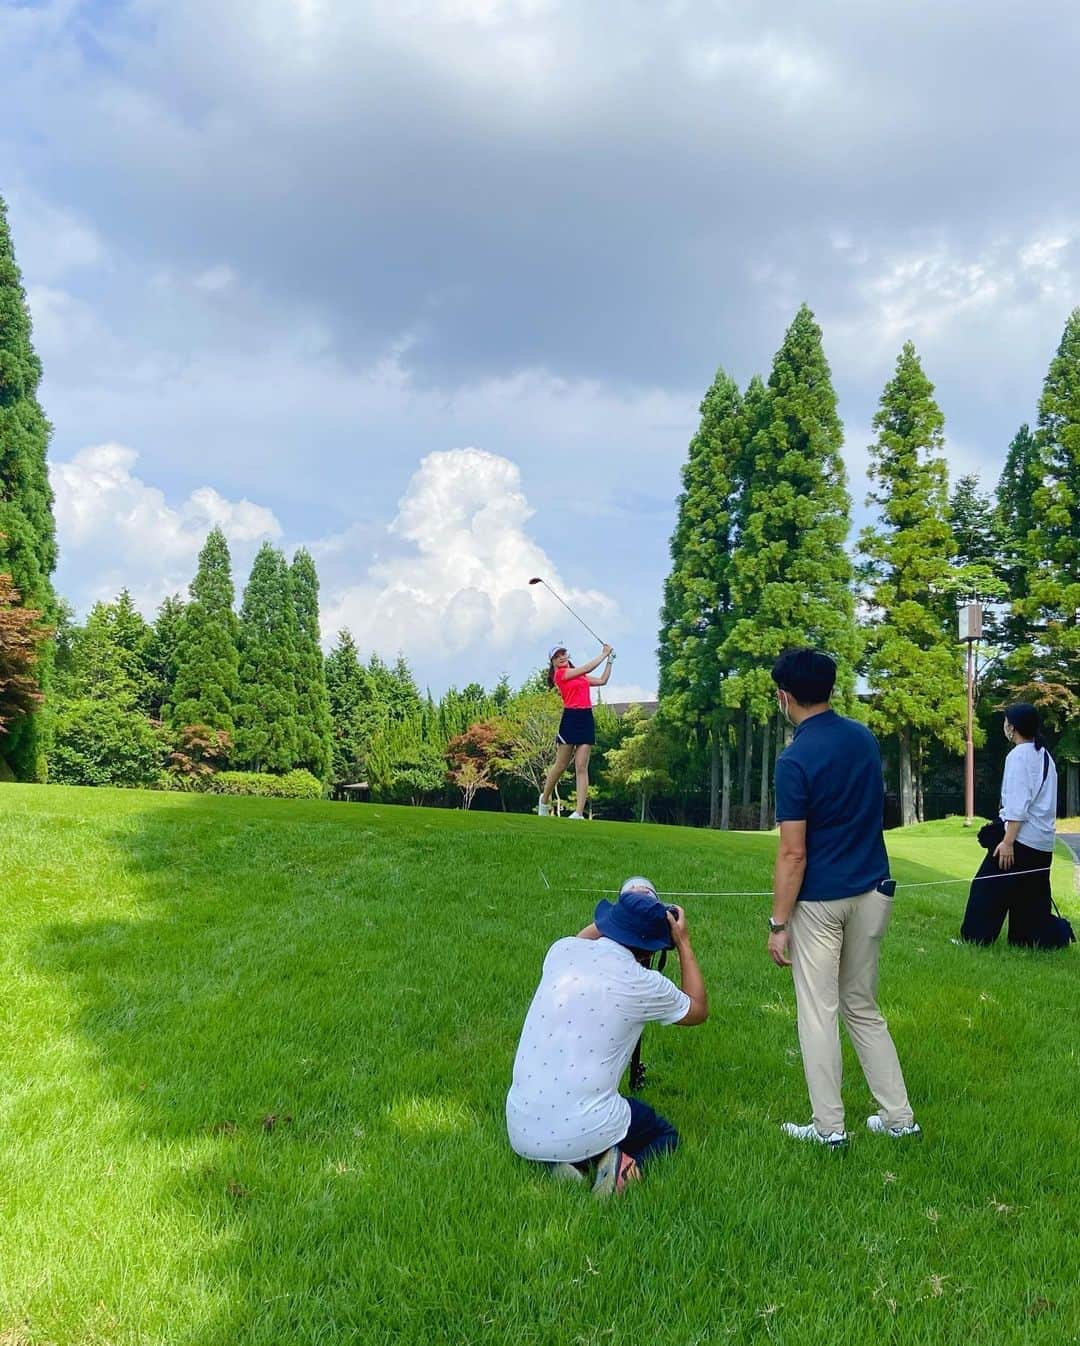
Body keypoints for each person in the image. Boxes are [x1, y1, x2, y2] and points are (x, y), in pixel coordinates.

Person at [766, 648, 920, 1149]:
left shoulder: (793, 759)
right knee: (861, 1004)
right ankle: (899, 1118)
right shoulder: (862, 738)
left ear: (784, 696)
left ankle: (830, 1129)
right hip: (874, 890)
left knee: (819, 1011)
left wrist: (778, 923)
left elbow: (793, 854)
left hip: (822, 904)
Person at [506, 877, 708, 1198]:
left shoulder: (562, 951)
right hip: (583, 1124)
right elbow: (697, 1010)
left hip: (520, 1126)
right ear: (650, 949)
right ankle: (618, 1171)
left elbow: (587, 936)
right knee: (663, 1134)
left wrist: (619, 913)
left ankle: (568, 1165)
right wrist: (683, 941)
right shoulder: (644, 983)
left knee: (573, 1116)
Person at [960, 703, 1069, 948]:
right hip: (1042, 843)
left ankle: (975, 939)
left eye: (1006, 722)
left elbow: (1018, 805)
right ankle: (1031, 942)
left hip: (1020, 840)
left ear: (1013, 727)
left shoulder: (1019, 756)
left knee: (986, 890)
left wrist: (1007, 842)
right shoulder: (1044, 756)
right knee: (1030, 900)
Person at [537, 641, 613, 819]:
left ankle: (578, 812)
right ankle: (544, 799)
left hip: (586, 718)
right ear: (553, 663)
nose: (561, 657)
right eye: (557, 656)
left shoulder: (580, 676)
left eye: (563, 654)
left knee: (581, 766)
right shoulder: (561, 674)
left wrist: (610, 660)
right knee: (561, 765)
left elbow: (602, 680)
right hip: (570, 718)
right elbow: (587, 668)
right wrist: (603, 654)